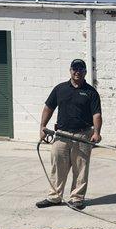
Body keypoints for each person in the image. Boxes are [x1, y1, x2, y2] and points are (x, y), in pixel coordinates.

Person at [36, 59, 102, 210]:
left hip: (82, 136)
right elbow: (48, 108)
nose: (77, 71)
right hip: (62, 135)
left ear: (85, 72)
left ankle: (77, 198)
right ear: (70, 70)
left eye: (80, 69)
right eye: (74, 68)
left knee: (80, 169)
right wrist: (42, 127)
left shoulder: (91, 92)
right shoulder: (60, 89)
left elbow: (97, 115)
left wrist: (97, 133)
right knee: (58, 167)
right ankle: (54, 197)